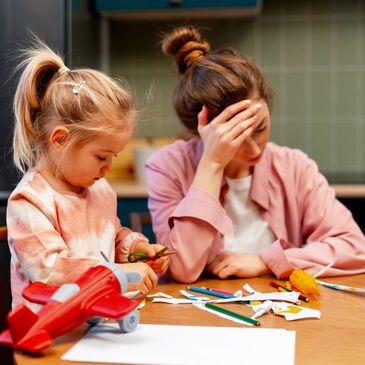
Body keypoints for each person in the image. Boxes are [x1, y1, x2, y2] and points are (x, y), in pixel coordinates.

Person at [145, 25, 365, 283]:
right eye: (235, 137)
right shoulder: (166, 167)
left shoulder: (293, 166)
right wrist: (212, 164)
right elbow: (182, 268)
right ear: (202, 130)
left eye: (259, 128)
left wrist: (265, 261)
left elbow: (355, 247)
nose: (254, 148)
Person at [7, 38, 169, 307]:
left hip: (96, 317)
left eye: (113, 157)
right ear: (60, 140)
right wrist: (120, 273)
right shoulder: (30, 202)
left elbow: (112, 238)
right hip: (48, 329)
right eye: (101, 156)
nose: (108, 168)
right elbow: (50, 271)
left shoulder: (100, 190)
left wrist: (137, 251)